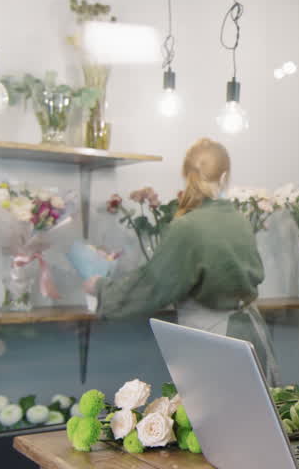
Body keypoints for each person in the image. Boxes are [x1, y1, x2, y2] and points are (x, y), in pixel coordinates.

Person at [86, 138, 280, 385]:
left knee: (219, 418)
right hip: (253, 337)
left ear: (187, 176)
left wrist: (101, 289)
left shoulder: (188, 227)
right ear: (224, 176)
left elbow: (152, 285)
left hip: (215, 342)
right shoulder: (239, 219)